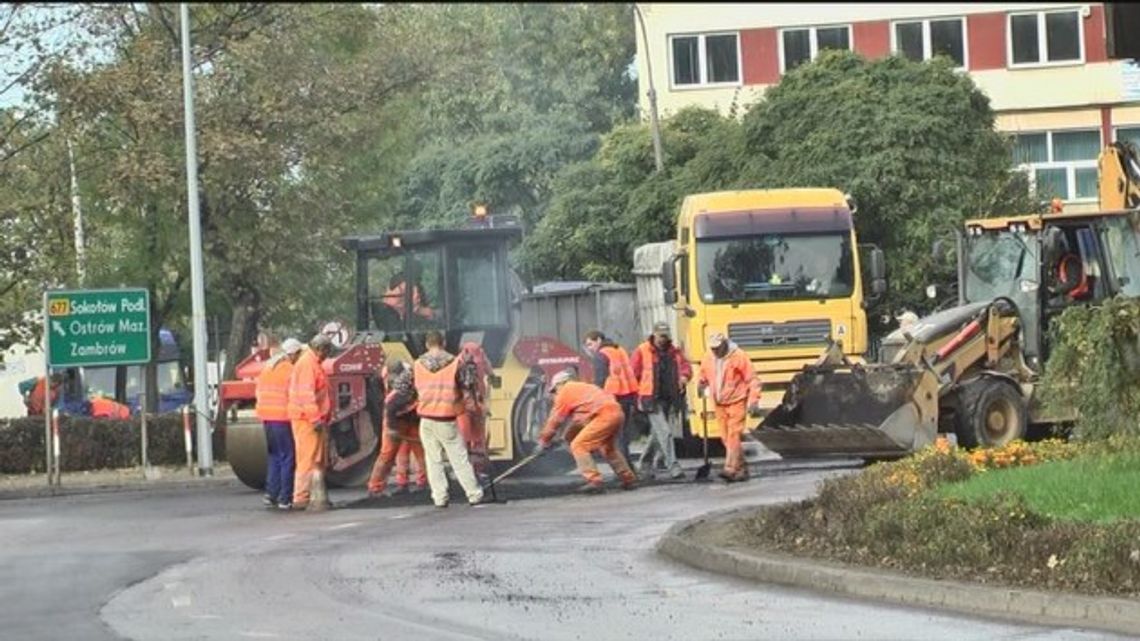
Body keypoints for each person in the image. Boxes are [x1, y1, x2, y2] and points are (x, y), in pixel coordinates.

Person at [388, 330, 487, 508]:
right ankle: (474, 494)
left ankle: (439, 497)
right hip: (447, 419)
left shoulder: (417, 365)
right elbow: (469, 385)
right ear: (443, 343)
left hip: (426, 420)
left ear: (427, 344)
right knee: (459, 458)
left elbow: (400, 387)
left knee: (433, 460)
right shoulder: (456, 363)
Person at [537, 369, 638, 494]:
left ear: (560, 384)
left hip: (603, 416)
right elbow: (578, 422)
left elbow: (555, 419)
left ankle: (594, 481)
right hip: (617, 414)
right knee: (608, 448)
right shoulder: (584, 388)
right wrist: (562, 438)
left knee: (579, 446)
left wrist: (543, 441)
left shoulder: (565, 391)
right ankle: (628, 479)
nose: (555, 394)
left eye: (554, 390)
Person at [630, 321, 692, 480]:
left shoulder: (674, 352)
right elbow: (633, 374)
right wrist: (636, 398)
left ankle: (645, 464)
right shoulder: (642, 351)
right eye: (661, 335)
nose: (663, 339)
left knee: (657, 434)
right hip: (650, 398)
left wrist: (684, 377)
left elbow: (686, 367)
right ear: (654, 334)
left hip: (669, 398)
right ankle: (673, 466)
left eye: (666, 336)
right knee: (665, 432)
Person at [697, 332, 761, 483]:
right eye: (713, 348)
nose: (715, 351)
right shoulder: (709, 357)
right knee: (726, 438)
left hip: (737, 400)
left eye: (718, 348)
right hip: (719, 403)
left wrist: (753, 400)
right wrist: (701, 383)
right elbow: (703, 373)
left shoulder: (739, 356)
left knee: (734, 436)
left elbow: (752, 379)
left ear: (725, 344)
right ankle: (742, 468)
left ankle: (730, 469)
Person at [366, 360, 427, 497]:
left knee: (420, 451)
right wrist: (392, 429)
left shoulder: (410, 381)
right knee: (387, 454)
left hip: (411, 417)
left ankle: (424, 482)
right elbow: (389, 407)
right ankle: (375, 487)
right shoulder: (394, 392)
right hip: (395, 418)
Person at [256, 338, 304, 510]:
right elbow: (297, 394)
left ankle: (271, 494)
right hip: (283, 418)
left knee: (274, 456)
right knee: (287, 457)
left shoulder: (268, 368)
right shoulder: (290, 370)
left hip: (267, 418)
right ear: (294, 354)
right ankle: (285, 498)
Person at [288, 334, 333, 511]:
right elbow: (306, 394)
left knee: (316, 458)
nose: (327, 355)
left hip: (311, 418)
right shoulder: (308, 364)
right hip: (307, 419)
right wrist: (315, 418)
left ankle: (316, 495)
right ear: (320, 349)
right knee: (307, 458)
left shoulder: (312, 362)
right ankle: (301, 497)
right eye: (327, 351)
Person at [583, 330, 638, 462]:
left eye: (590, 344)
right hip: (627, 397)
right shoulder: (619, 350)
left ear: (599, 340)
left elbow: (600, 380)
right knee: (622, 435)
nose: (590, 348)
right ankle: (629, 469)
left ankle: (626, 472)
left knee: (616, 437)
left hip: (612, 399)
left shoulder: (601, 355)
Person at [457, 341, 492, 481]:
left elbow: (490, 374)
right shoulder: (478, 359)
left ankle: (473, 471)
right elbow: (490, 374)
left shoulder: (458, 362)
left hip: (469, 406)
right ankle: (473, 471)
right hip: (469, 406)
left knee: (472, 440)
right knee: (471, 440)